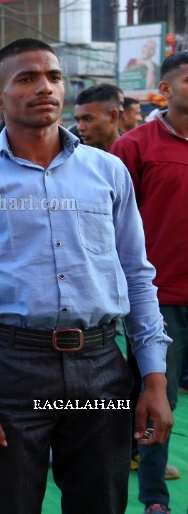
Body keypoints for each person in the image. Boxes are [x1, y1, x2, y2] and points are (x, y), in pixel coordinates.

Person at [0, 38, 172, 514]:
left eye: (53, 77)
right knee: (8, 503)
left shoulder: (108, 172)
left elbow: (137, 276)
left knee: (100, 502)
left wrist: (155, 379)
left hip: (103, 364)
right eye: (26, 78)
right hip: (11, 366)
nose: (45, 88)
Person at [112, 51, 188, 514]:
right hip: (160, 300)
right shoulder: (135, 148)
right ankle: (154, 498)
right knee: (155, 400)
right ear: (165, 89)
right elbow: (112, 229)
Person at [74, 83, 122, 152]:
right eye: (78, 120)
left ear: (112, 116)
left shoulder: (134, 155)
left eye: (88, 119)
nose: (80, 127)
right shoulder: (74, 157)